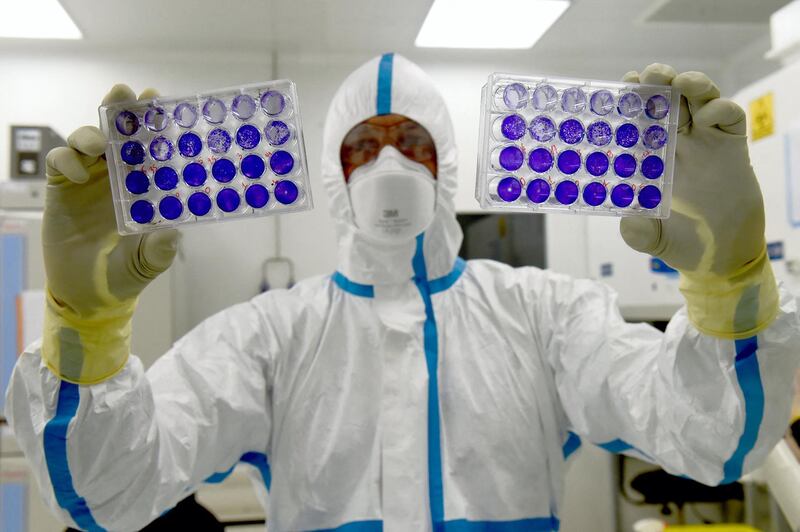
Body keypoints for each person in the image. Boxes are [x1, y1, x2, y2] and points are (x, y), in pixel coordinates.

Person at [6, 53, 800, 532]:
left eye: (413, 141)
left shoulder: (546, 314)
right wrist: (89, 330)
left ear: (445, 164)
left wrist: (725, 285)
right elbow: (111, 492)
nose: (393, 164)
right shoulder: (266, 335)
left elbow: (713, 439)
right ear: (333, 172)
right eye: (366, 146)